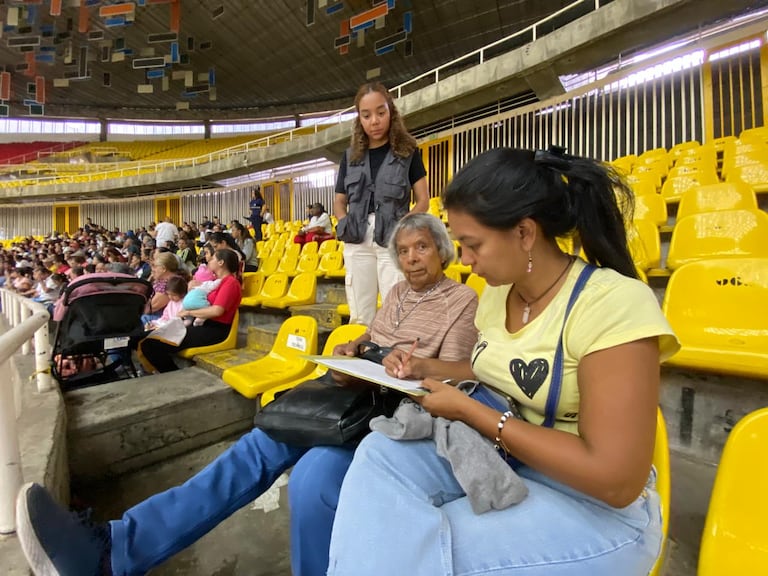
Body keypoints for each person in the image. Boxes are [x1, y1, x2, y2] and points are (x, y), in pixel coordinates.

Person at [15, 214, 478, 576]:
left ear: (441, 250)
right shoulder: (396, 294)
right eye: (403, 250)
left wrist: (415, 366)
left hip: (396, 413)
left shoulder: (461, 301)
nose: (412, 258)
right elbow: (373, 340)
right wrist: (353, 348)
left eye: (421, 247)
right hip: (353, 397)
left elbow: (456, 377)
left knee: (313, 476)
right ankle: (115, 550)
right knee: (254, 448)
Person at [325, 147, 681, 576]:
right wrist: (424, 368)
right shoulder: (499, 293)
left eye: (472, 245)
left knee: (416, 544)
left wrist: (472, 412)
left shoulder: (612, 304)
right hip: (505, 460)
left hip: (592, 506)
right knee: (378, 455)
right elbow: (497, 370)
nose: (465, 261)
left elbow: (615, 480)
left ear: (524, 233)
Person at [334, 81, 429, 327]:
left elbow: (423, 201)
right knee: (360, 314)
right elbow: (339, 200)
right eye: (366, 115)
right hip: (356, 239)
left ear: (391, 112)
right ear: (359, 119)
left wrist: (403, 228)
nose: (374, 121)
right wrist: (344, 220)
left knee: (396, 309)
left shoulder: (408, 152)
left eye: (380, 112)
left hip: (393, 239)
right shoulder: (349, 156)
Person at [135, 248, 240, 373]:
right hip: (202, 324)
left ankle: (172, 374)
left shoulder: (230, 283)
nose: (209, 261)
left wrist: (189, 312)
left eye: (213, 259)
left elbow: (217, 311)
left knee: (151, 344)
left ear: (221, 263)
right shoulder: (219, 282)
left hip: (215, 330)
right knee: (146, 337)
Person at [140, 252, 180, 326]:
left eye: (155, 266)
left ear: (164, 269)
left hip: (163, 319)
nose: (152, 269)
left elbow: (149, 308)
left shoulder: (170, 284)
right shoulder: (161, 281)